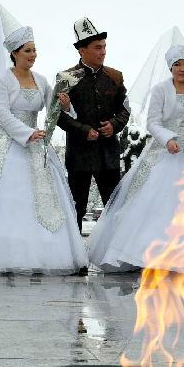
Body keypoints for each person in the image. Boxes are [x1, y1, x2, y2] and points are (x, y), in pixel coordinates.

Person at [0, 5, 86, 274]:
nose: (32, 55)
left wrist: (65, 104)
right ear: (14, 54)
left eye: (34, 50)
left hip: (37, 144)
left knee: (40, 200)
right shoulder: (3, 79)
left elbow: (52, 107)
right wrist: (26, 133)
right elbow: (3, 114)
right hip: (9, 142)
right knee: (3, 196)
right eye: (27, 50)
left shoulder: (42, 80)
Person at [87, 41, 184, 277]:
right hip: (164, 151)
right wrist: (168, 139)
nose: (182, 69)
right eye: (178, 64)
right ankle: (151, 254)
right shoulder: (160, 90)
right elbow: (153, 122)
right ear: (170, 67)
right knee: (156, 200)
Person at [57, 18, 131, 227]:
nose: (103, 51)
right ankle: (75, 256)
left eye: (104, 47)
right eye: (97, 47)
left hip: (108, 155)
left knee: (114, 207)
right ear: (82, 50)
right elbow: (58, 116)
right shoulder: (66, 77)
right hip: (79, 155)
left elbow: (124, 110)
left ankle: (112, 252)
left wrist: (114, 125)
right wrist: (83, 130)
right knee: (76, 207)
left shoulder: (115, 76)